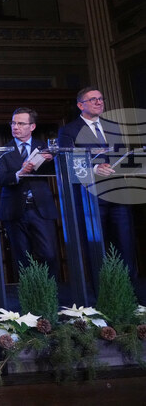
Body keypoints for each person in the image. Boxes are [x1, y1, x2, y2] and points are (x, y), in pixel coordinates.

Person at [58, 87, 136, 277]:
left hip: (118, 195)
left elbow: (120, 156)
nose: (99, 102)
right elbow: (69, 164)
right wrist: (94, 169)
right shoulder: (69, 131)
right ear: (80, 105)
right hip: (91, 199)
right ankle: (102, 292)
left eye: (101, 98)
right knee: (97, 250)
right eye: (93, 99)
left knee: (126, 246)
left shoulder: (113, 127)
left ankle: (130, 292)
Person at [0, 107, 59, 279]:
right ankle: (28, 294)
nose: (15, 127)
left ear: (32, 126)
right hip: (14, 209)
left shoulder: (45, 147)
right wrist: (19, 173)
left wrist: (54, 160)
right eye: (13, 123)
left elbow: (60, 171)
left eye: (21, 123)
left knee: (49, 254)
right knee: (22, 258)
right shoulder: (3, 150)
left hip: (41, 208)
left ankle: (49, 291)